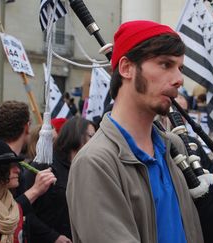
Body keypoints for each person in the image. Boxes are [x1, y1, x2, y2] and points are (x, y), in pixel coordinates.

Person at [66, 20, 203, 243]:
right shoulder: (95, 162)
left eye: (180, 68)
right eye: (165, 64)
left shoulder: (173, 149)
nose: (179, 80)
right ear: (126, 68)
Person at [0, 100, 58, 242]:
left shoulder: (18, 164)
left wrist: (54, 237)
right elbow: (0, 214)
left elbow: (27, 217)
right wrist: (35, 190)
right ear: (27, 127)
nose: (15, 169)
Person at [26, 117, 95, 243]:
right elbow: (25, 209)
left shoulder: (87, 166)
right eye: (91, 136)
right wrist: (52, 236)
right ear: (76, 135)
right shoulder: (45, 163)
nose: (95, 141)